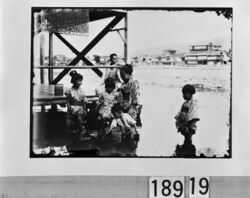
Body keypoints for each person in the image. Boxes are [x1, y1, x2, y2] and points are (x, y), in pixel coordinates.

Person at [65, 70, 88, 139]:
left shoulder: (82, 91)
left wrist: (84, 110)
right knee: (68, 122)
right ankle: (71, 132)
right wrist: (69, 107)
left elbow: (84, 101)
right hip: (72, 108)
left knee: (80, 119)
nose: (80, 82)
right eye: (78, 81)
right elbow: (68, 100)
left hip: (79, 108)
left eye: (81, 81)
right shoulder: (69, 90)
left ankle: (82, 131)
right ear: (73, 81)